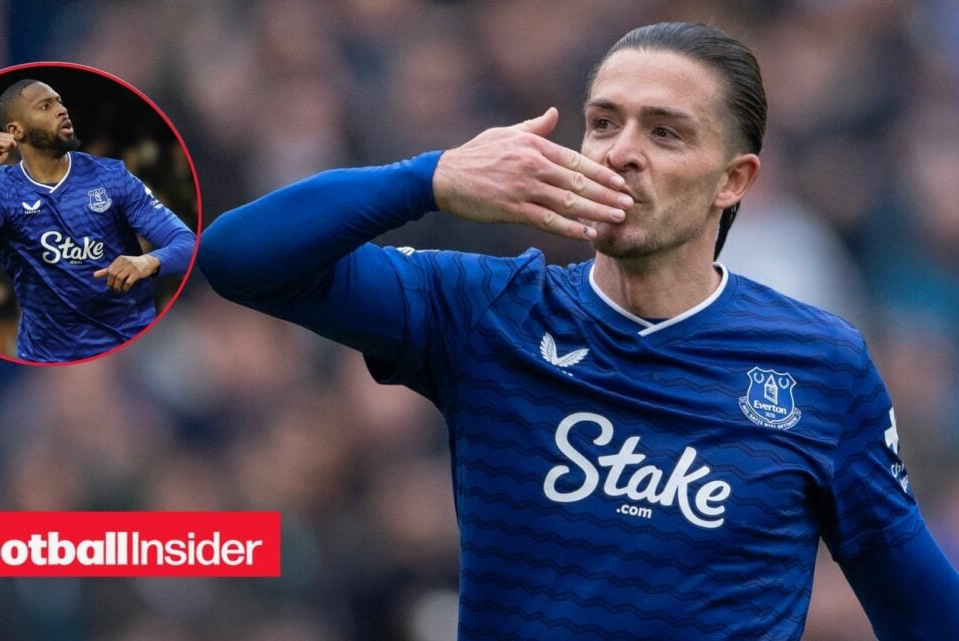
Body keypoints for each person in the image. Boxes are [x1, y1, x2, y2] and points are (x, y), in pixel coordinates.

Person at [199, 21, 959, 640]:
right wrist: (427, 179)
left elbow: (925, 614)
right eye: (603, 123)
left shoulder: (817, 366)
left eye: (665, 133)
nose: (621, 151)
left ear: (733, 180)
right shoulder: (486, 309)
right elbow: (238, 259)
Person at [0, 79, 196, 363]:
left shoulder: (111, 177)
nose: (61, 110)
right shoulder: (2, 189)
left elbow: (187, 245)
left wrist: (148, 262)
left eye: (59, 101)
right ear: (16, 131)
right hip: (46, 361)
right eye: (45, 106)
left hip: (125, 352)